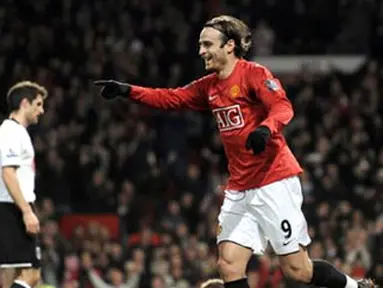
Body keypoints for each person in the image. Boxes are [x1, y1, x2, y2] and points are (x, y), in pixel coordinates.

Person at [94, 15, 375, 288]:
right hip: (240, 188)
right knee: (229, 265)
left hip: (273, 181)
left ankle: (355, 287)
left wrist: (265, 129)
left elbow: (282, 106)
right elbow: (171, 97)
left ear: (230, 45)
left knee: (298, 271)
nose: (200, 50)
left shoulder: (254, 74)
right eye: (200, 44)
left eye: (207, 44)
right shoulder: (209, 86)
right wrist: (127, 90)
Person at [0, 81, 47, 288]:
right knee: (19, 275)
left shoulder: (19, 132)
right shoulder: (10, 131)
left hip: (16, 206)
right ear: (25, 103)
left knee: (30, 276)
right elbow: (8, 173)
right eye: (38, 104)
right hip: (11, 208)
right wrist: (26, 211)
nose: (41, 110)